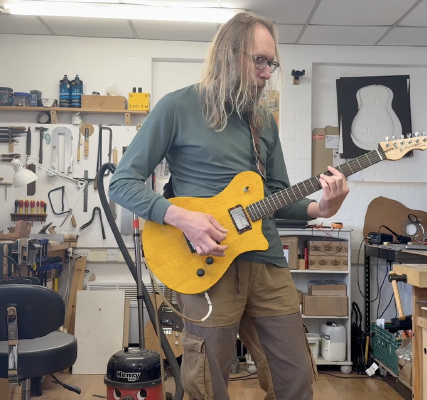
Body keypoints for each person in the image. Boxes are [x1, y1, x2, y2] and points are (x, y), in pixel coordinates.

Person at [109, 11, 349, 400]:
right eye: (260, 60)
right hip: (208, 265)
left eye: (272, 63)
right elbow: (122, 182)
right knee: (208, 381)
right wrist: (181, 218)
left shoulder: (264, 122)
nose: (268, 72)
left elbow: (276, 195)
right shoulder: (177, 107)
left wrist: (321, 209)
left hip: (267, 262)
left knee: (296, 375)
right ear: (228, 54)